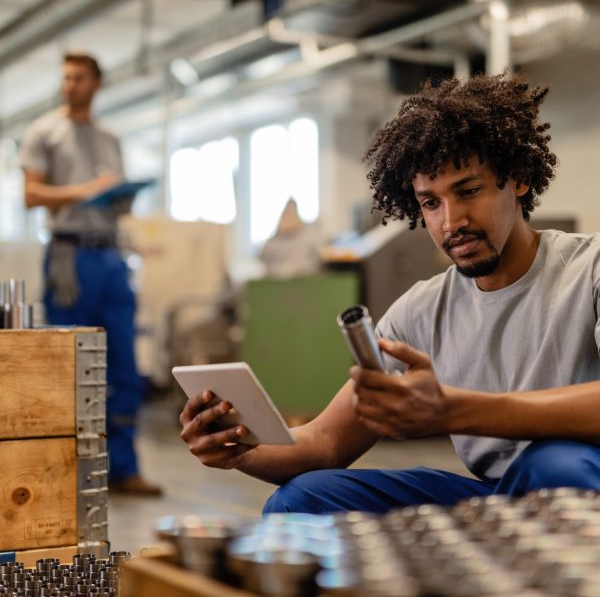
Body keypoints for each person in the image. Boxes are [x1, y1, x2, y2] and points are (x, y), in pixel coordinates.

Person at [180, 72, 600, 514]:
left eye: (469, 190)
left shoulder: (589, 268)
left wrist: (453, 410)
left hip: (579, 487)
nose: (451, 221)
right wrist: (238, 447)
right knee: (301, 500)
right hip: (499, 501)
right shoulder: (420, 311)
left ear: (517, 180)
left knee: (556, 464)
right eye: (430, 202)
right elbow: (324, 441)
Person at [20, 52, 162, 496]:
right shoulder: (44, 131)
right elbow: (30, 194)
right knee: (68, 363)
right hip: (70, 258)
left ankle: (124, 466)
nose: (69, 84)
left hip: (110, 256)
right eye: (65, 77)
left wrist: (119, 197)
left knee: (121, 361)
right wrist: (86, 191)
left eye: (78, 77)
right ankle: (63, 474)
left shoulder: (109, 138)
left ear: (97, 82)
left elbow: (110, 194)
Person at [258, 198, 322, 278]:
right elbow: (263, 259)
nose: (289, 217)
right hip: (277, 283)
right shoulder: (272, 242)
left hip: (303, 282)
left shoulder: (309, 238)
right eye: (287, 213)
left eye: (292, 213)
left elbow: (318, 261)